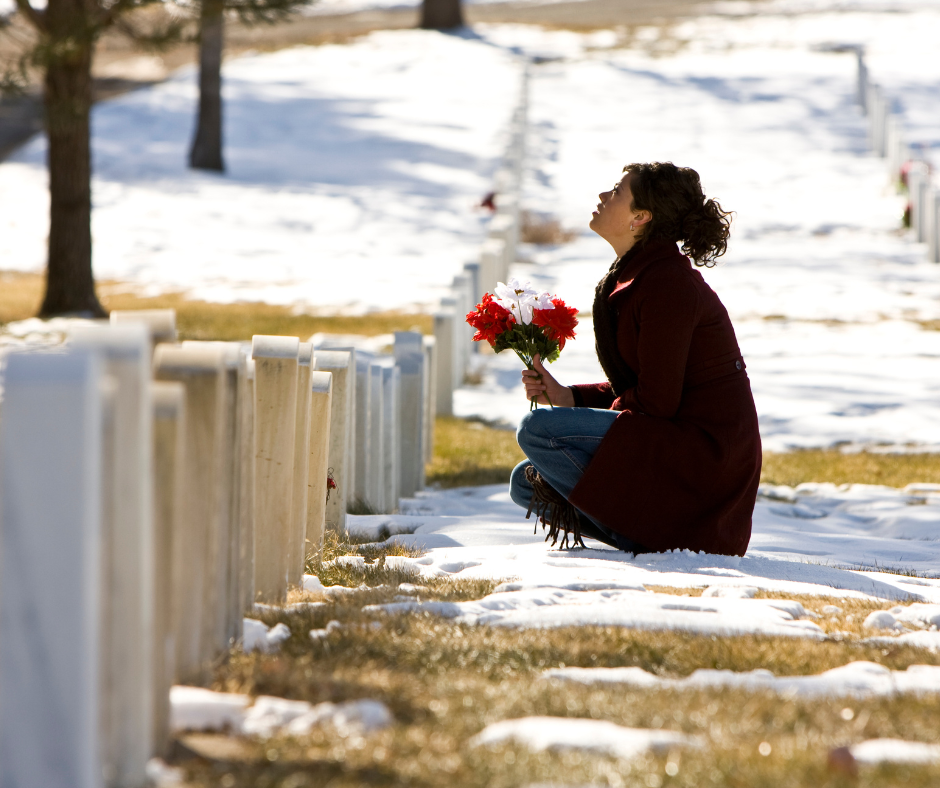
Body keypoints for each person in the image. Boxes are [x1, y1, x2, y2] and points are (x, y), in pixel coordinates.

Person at [509, 162, 761, 556]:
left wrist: (588, 419)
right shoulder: (640, 275)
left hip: (703, 460)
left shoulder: (668, 283)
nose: (603, 197)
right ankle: (647, 533)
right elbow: (646, 387)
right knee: (526, 482)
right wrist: (569, 397)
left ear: (640, 217)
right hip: (672, 442)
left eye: (616, 192)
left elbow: (657, 400)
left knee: (537, 430)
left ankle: (659, 537)